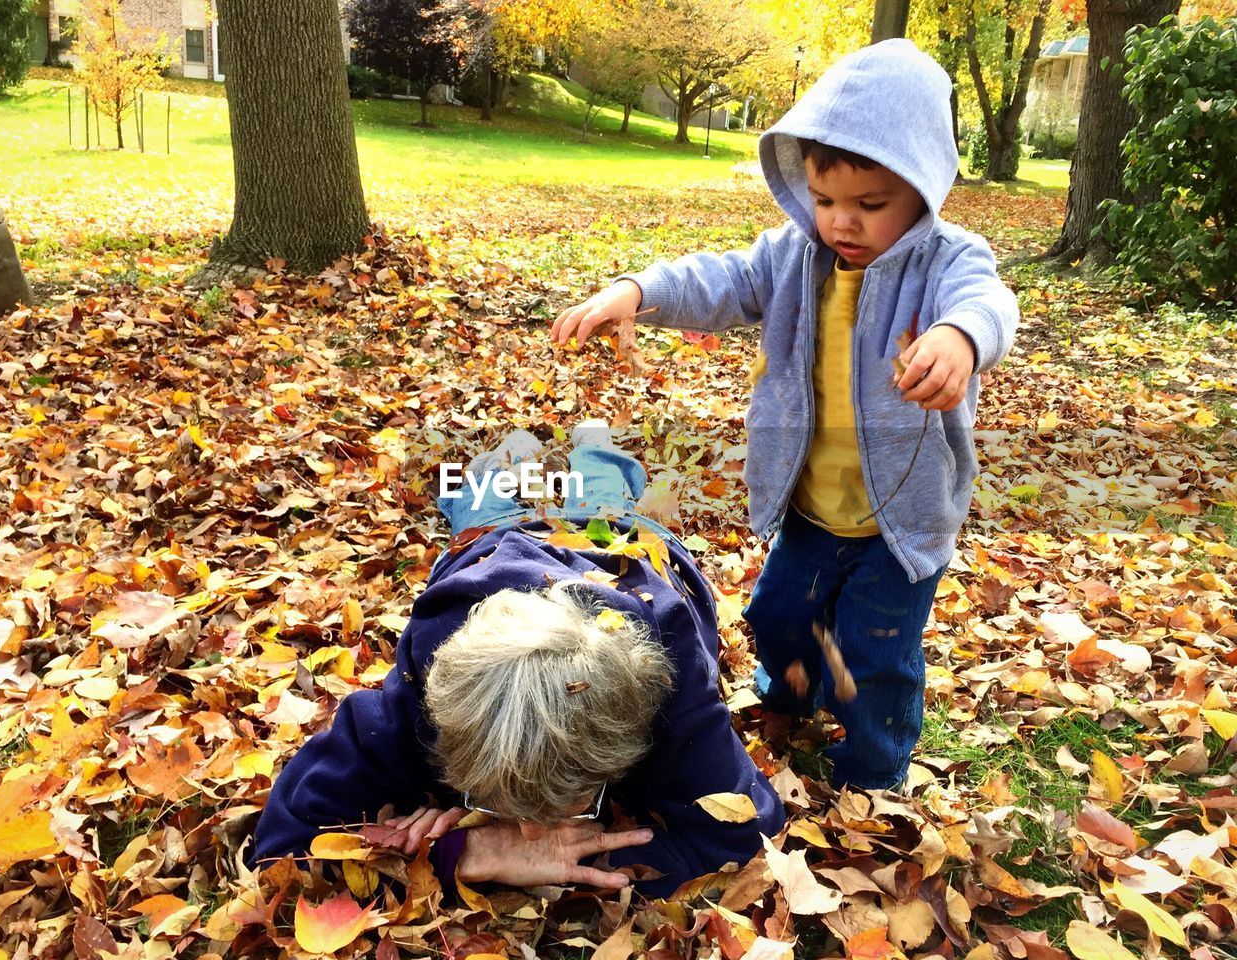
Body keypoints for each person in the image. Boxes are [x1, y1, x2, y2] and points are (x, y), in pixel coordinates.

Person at [551, 40, 1019, 791]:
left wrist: (959, 337)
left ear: (925, 189)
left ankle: (874, 769)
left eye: (871, 206)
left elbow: (991, 303)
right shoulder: (795, 256)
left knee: (877, 654)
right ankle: (790, 697)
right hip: (810, 506)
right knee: (776, 618)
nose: (843, 222)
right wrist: (637, 291)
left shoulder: (948, 261)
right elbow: (722, 277)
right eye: (826, 199)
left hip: (900, 520)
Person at [250, 423, 784, 897]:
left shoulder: (673, 680)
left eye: (561, 803)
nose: (530, 832)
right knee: (481, 493)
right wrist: (470, 855)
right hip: (495, 543)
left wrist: (567, 865)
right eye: (498, 801)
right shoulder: (426, 681)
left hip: (620, 536)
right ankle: (514, 451)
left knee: (602, 485)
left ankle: (594, 444)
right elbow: (283, 846)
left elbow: (745, 836)